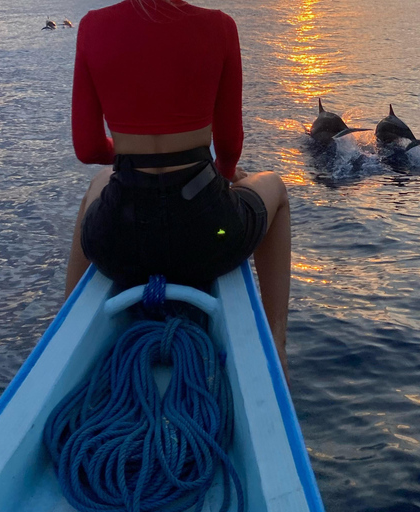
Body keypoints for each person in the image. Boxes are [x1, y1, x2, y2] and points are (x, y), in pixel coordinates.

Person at [64, 0, 291, 375]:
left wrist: (128, 153)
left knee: (98, 184)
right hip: (205, 238)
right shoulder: (219, 26)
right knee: (276, 190)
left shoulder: (91, 26)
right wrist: (225, 173)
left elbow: (87, 148)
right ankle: (276, 345)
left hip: (119, 241)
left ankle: (67, 329)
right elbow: (230, 145)